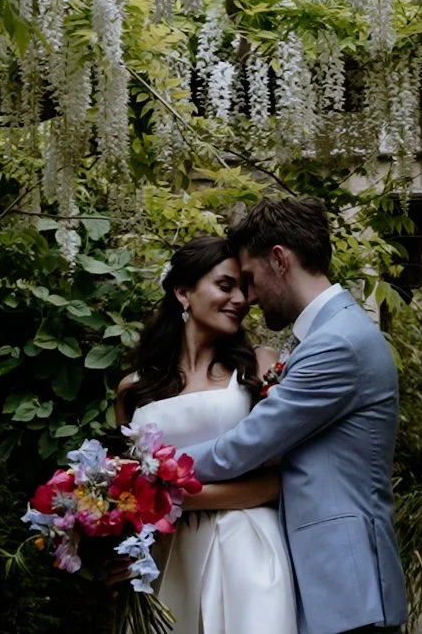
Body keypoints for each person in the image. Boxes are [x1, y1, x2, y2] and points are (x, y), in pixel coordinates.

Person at [178, 198, 408, 634]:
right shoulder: (330, 335)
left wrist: (149, 469)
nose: (248, 296)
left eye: (249, 278)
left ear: (280, 260)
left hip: (345, 587)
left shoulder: (337, 344)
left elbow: (244, 447)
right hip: (333, 586)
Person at [116, 236, 297, 634]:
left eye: (244, 290)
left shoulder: (257, 368)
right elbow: (129, 488)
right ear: (183, 292)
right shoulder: (134, 389)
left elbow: (280, 480)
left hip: (245, 547)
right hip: (166, 556)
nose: (241, 299)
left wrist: (173, 498)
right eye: (225, 285)